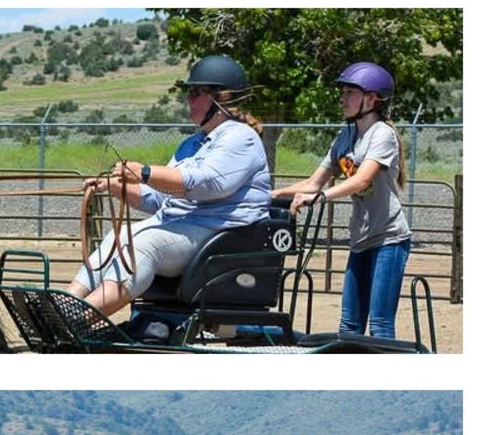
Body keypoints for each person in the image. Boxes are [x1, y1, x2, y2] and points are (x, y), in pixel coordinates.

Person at [68, 55, 271, 317]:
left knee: (144, 244)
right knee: (117, 237)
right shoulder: (193, 144)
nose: (189, 99)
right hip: (184, 228)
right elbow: (157, 198)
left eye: (196, 93)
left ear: (220, 99)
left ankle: (79, 317)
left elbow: (207, 183)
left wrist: (145, 172)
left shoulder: (241, 138)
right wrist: (113, 186)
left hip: (216, 232)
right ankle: (68, 302)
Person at [274, 63, 411, 339]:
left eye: (350, 92)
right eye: (343, 92)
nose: (342, 98)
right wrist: (273, 194)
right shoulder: (345, 136)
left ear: (372, 98)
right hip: (360, 240)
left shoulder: (382, 134)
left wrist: (320, 197)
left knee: (381, 325)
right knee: (349, 326)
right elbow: (313, 183)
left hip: (389, 240)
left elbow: (361, 180)